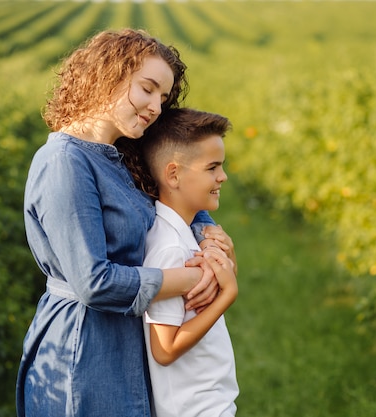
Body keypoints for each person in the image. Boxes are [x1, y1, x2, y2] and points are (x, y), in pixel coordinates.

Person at [15, 29, 236, 417]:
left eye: (163, 98)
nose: (154, 106)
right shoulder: (65, 161)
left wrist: (208, 236)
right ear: (108, 75)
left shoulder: (120, 154)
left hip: (124, 335)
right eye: (147, 89)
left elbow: (172, 194)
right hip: (83, 345)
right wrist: (189, 277)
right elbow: (93, 282)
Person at [140, 108, 239, 417]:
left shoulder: (185, 234)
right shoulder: (168, 248)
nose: (222, 176)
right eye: (212, 167)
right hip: (194, 407)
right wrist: (227, 296)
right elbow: (164, 349)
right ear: (174, 175)